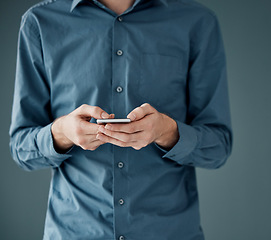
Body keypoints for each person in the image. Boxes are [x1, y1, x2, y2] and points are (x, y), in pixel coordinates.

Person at [9, 0, 232, 239]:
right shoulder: (40, 22)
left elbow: (218, 147)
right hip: (75, 231)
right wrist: (62, 133)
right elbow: (22, 149)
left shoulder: (197, 22)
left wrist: (167, 132)